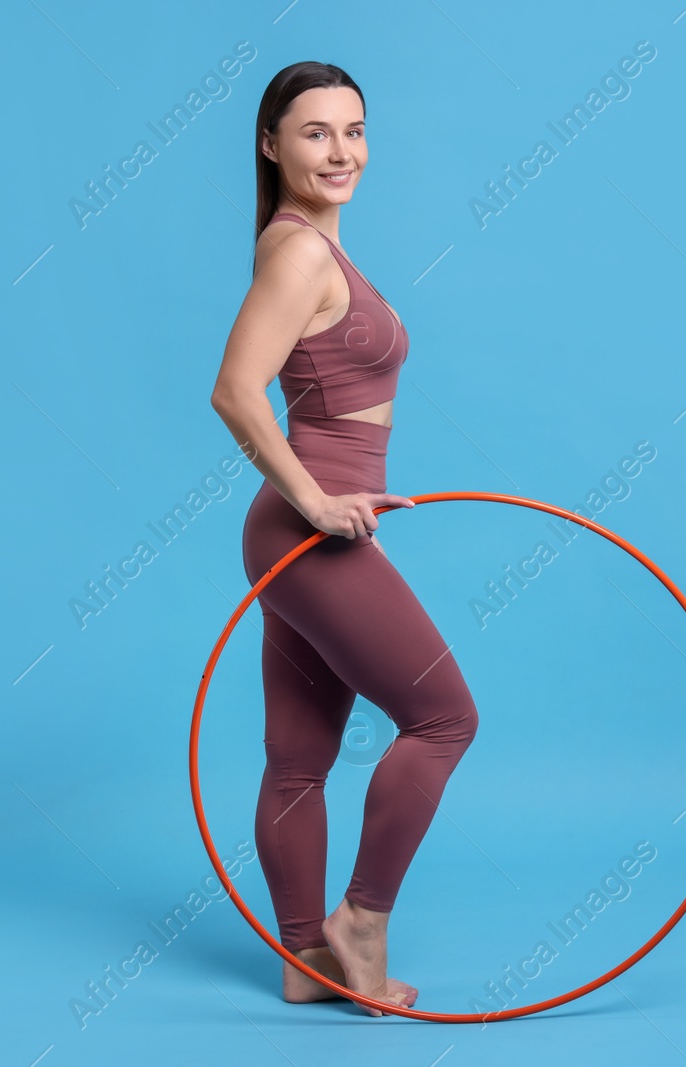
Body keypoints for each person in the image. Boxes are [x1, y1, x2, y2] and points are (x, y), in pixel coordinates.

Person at [211, 61, 479, 1017]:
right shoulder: (298, 253)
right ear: (270, 143)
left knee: (298, 756)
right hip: (305, 532)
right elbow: (236, 392)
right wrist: (322, 503)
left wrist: (352, 491)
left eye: (354, 130)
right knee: (445, 719)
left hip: (304, 528)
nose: (341, 151)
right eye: (316, 132)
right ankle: (358, 923)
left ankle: (300, 958)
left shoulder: (316, 248)